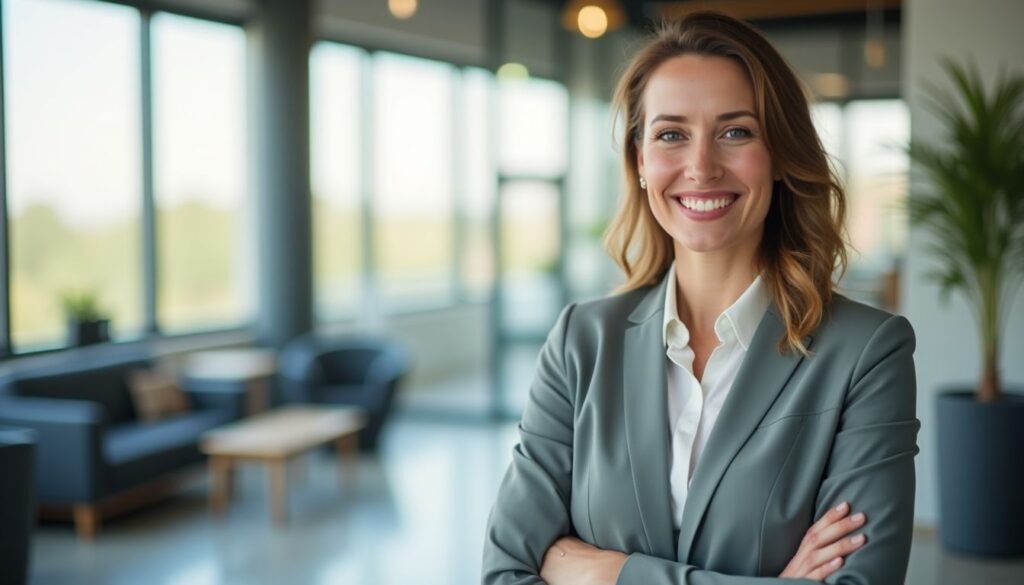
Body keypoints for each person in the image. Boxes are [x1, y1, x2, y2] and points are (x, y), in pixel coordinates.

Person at [481, 11, 919, 585]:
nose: (701, 166)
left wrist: (609, 573)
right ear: (640, 162)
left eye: (736, 131)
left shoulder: (867, 353)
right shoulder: (580, 343)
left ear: (781, 154)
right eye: (670, 135)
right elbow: (504, 573)